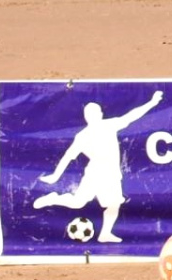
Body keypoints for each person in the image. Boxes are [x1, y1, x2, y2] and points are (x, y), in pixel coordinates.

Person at [33, 90, 163, 243]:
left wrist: (152, 103)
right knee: (78, 203)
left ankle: (105, 234)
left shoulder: (109, 125)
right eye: (89, 113)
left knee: (114, 204)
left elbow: (131, 116)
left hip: (112, 174)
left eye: (95, 112)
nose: (92, 115)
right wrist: (55, 176)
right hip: (94, 173)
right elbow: (68, 156)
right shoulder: (82, 136)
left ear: (100, 114)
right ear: (86, 117)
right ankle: (53, 198)